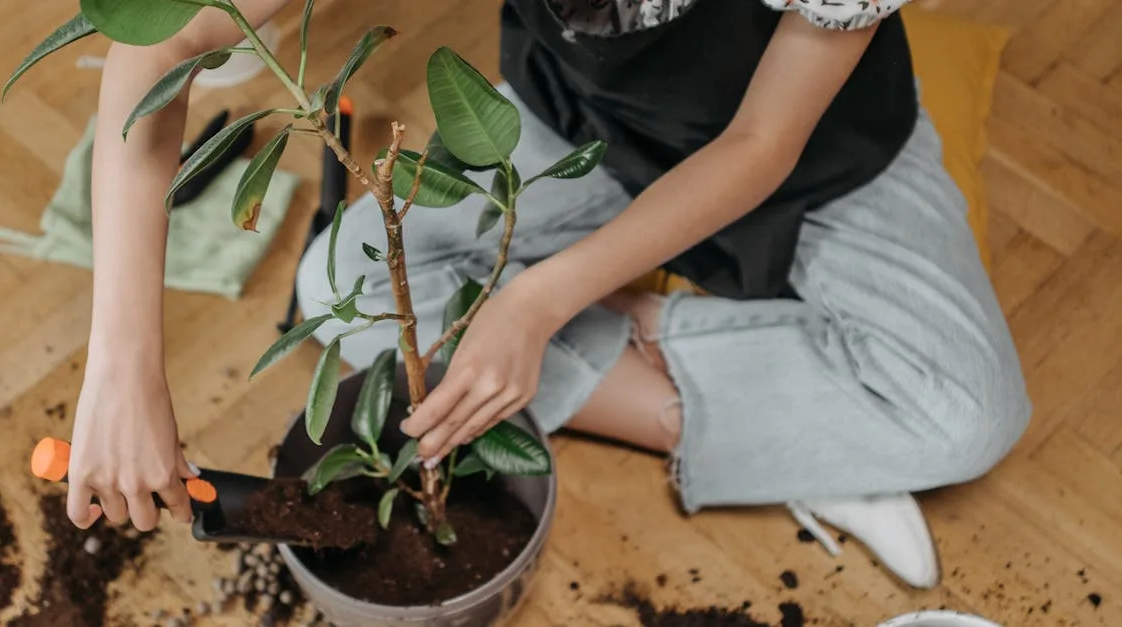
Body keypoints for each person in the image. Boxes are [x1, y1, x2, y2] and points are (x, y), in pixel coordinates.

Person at [68, 0, 1032, 590]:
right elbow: (166, 43)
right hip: (576, 130)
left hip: (823, 156)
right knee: (337, 285)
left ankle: (786, 421)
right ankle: (800, 430)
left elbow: (760, 146)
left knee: (965, 411)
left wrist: (540, 304)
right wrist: (121, 364)